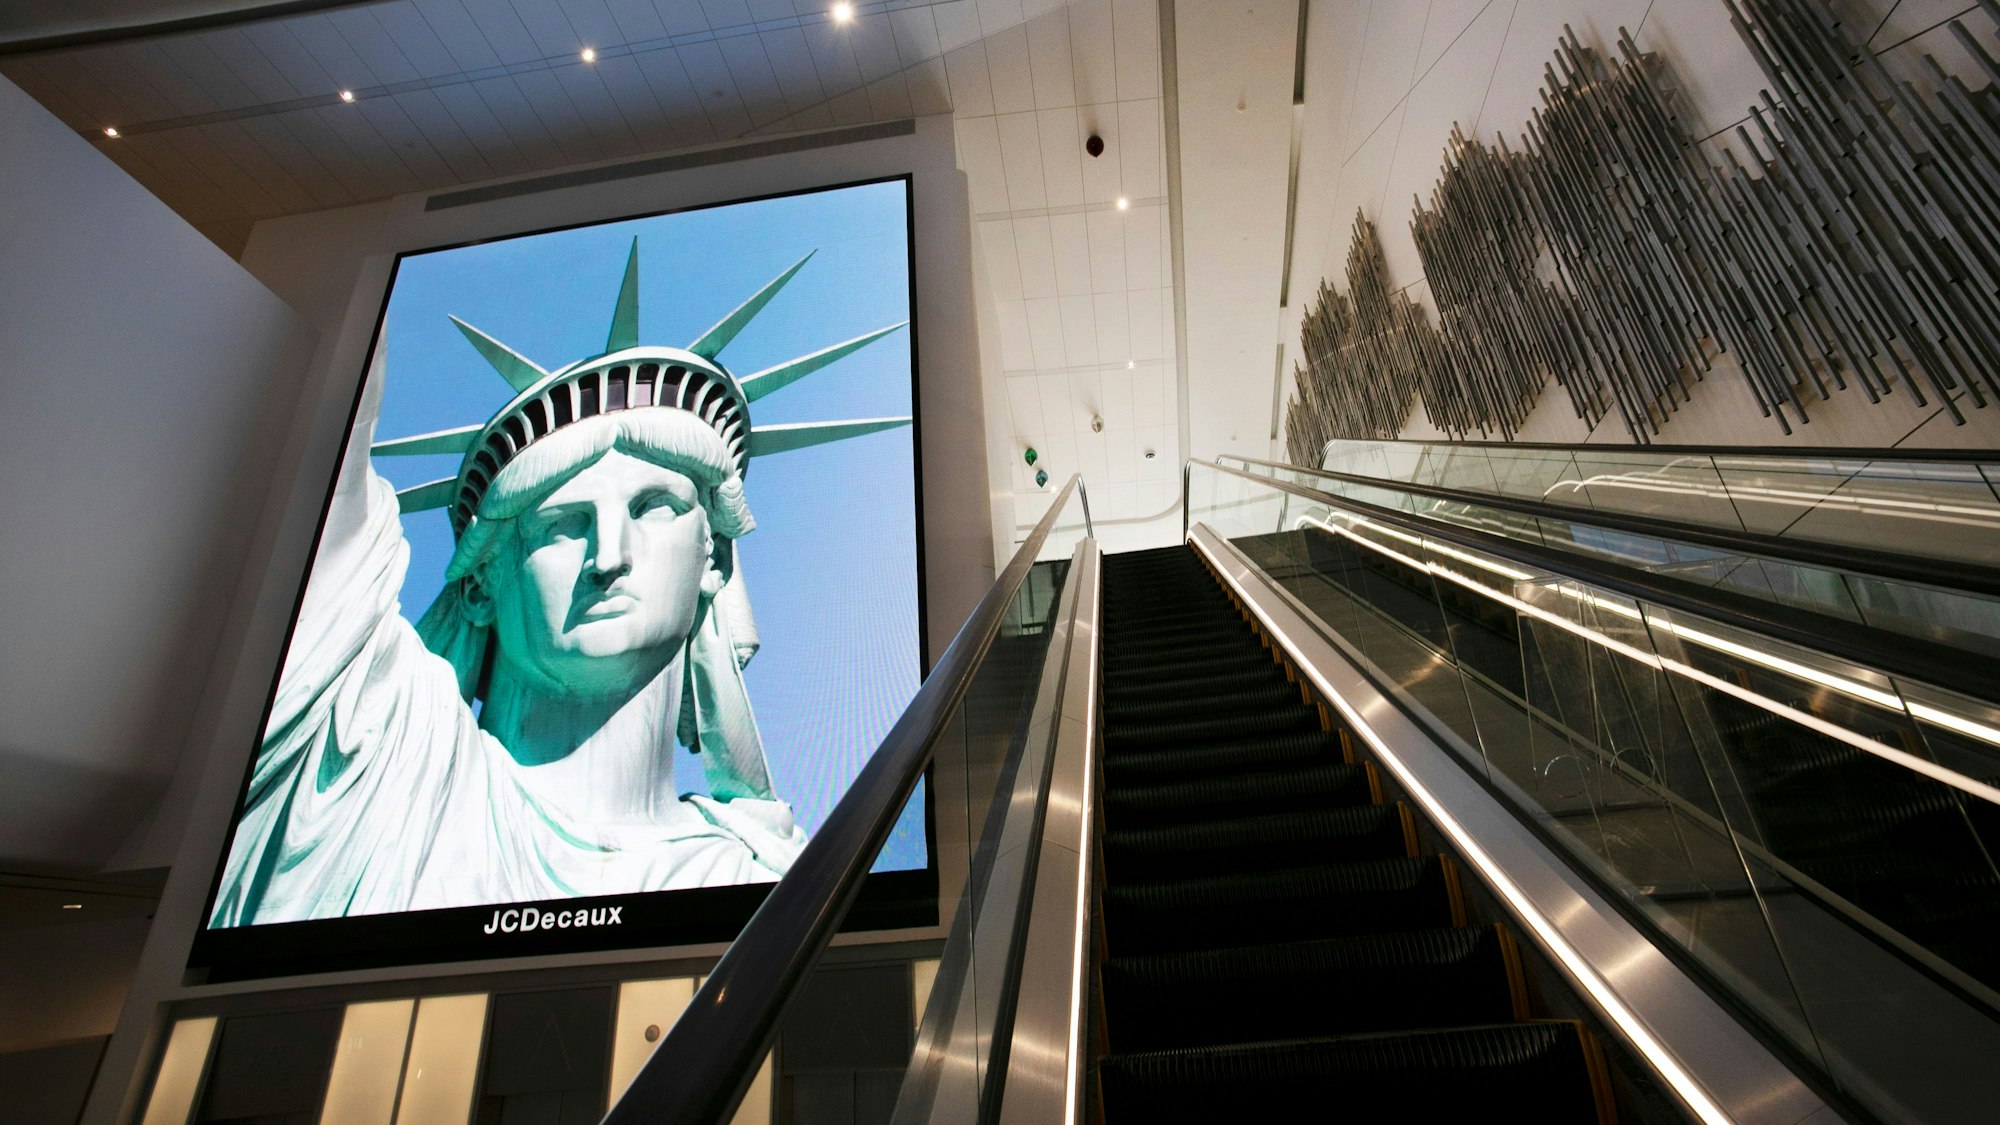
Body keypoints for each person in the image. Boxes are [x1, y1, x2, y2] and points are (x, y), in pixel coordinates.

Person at [210, 243, 907, 925]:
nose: (610, 556)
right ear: (481, 585)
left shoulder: (768, 877)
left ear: (714, 560)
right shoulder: (371, 754)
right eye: (561, 527)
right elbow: (330, 452)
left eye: (652, 506)